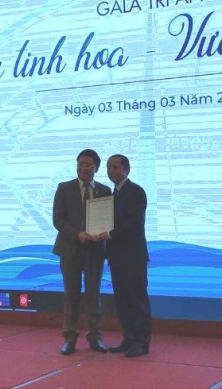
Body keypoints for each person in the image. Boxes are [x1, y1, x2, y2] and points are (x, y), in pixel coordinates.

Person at [52, 149, 111, 355]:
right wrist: (77, 234)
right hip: (70, 249)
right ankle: (69, 338)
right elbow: (58, 220)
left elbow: (107, 221)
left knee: (94, 295)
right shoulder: (64, 188)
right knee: (71, 295)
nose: (83, 168)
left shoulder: (104, 190)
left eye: (88, 165)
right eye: (80, 164)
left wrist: (103, 233)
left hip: (95, 250)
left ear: (96, 167)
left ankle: (95, 337)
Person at [95, 154, 152, 358]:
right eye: (109, 168)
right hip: (116, 257)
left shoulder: (136, 191)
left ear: (126, 169)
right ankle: (128, 338)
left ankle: (141, 342)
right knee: (122, 300)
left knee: (137, 300)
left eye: (115, 167)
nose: (111, 171)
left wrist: (109, 234)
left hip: (133, 257)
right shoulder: (112, 195)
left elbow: (134, 223)